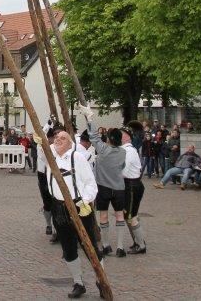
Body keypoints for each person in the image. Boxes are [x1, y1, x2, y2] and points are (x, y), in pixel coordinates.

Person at [48, 130, 100, 299]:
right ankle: (78, 282)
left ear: (70, 143)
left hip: (79, 206)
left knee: (89, 245)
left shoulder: (77, 157)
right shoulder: (51, 157)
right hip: (58, 207)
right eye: (56, 138)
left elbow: (91, 184)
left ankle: (101, 278)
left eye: (63, 138)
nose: (58, 140)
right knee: (68, 248)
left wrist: (85, 201)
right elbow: (42, 142)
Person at [92, 128, 129, 258]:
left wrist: (89, 119)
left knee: (103, 216)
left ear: (108, 138)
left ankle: (106, 245)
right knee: (119, 216)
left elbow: (94, 137)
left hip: (103, 187)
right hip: (119, 187)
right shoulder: (123, 152)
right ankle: (120, 247)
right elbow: (123, 166)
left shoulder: (103, 149)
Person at [123, 121, 149, 255]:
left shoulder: (129, 151)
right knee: (129, 215)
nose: (120, 136)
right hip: (130, 185)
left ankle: (141, 244)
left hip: (132, 185)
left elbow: (124, 170)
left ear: (128, 136)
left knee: (131, 216)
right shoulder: (127, 150)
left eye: (122, 134)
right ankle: (138, 242)